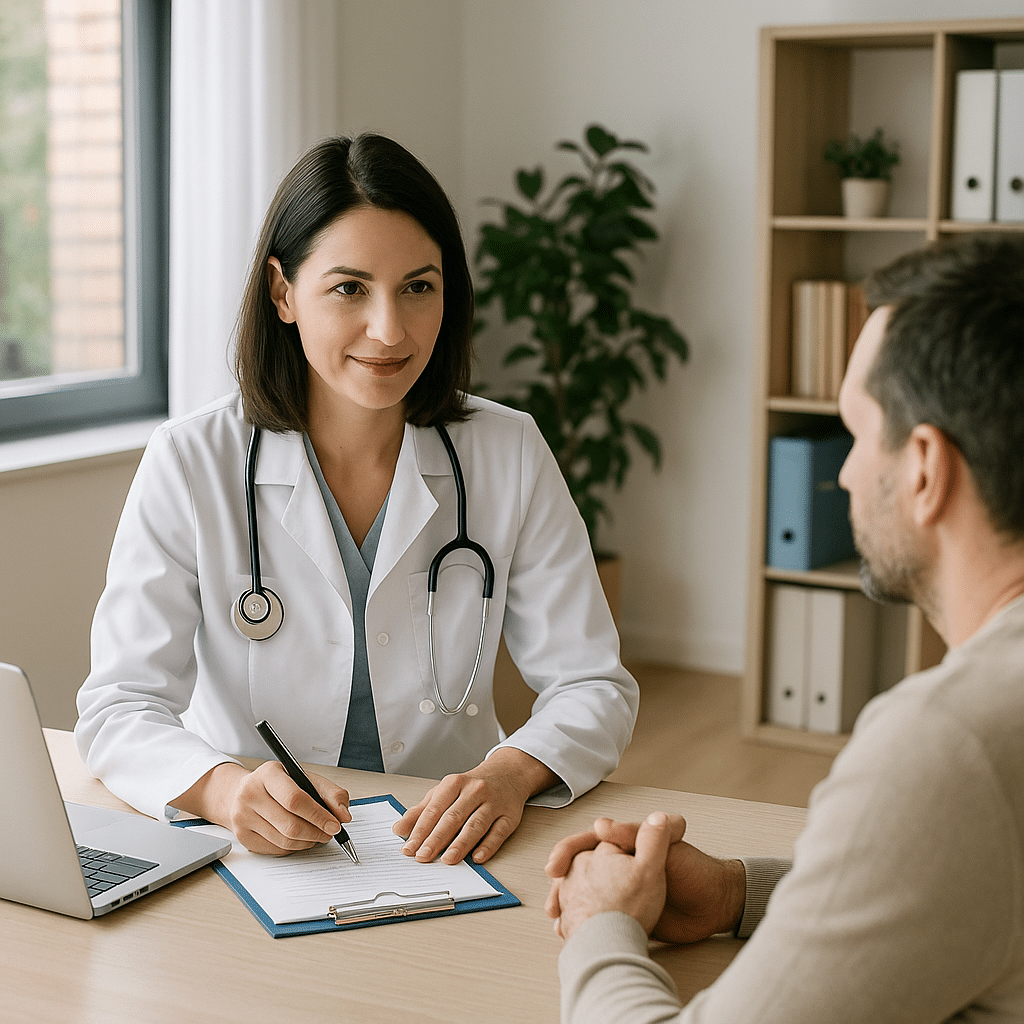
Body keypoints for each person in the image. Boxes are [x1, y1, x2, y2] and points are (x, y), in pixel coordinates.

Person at [75, 133, 638, 863]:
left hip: (444, 844)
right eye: (349, 288)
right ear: (284, 293)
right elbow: (118, 706)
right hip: (256, 853)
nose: (390, 330)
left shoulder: (509, 451)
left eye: (418, 287)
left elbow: (593, 685)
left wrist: (508, 772)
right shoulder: (192, 461)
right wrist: (222, 790)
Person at [544, 232, 1024, 1023]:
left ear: (926, 469)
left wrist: (602, 929)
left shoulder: (950, 743)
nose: (841, 472)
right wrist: (739, 891)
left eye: (858, 433)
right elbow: (971, 893)